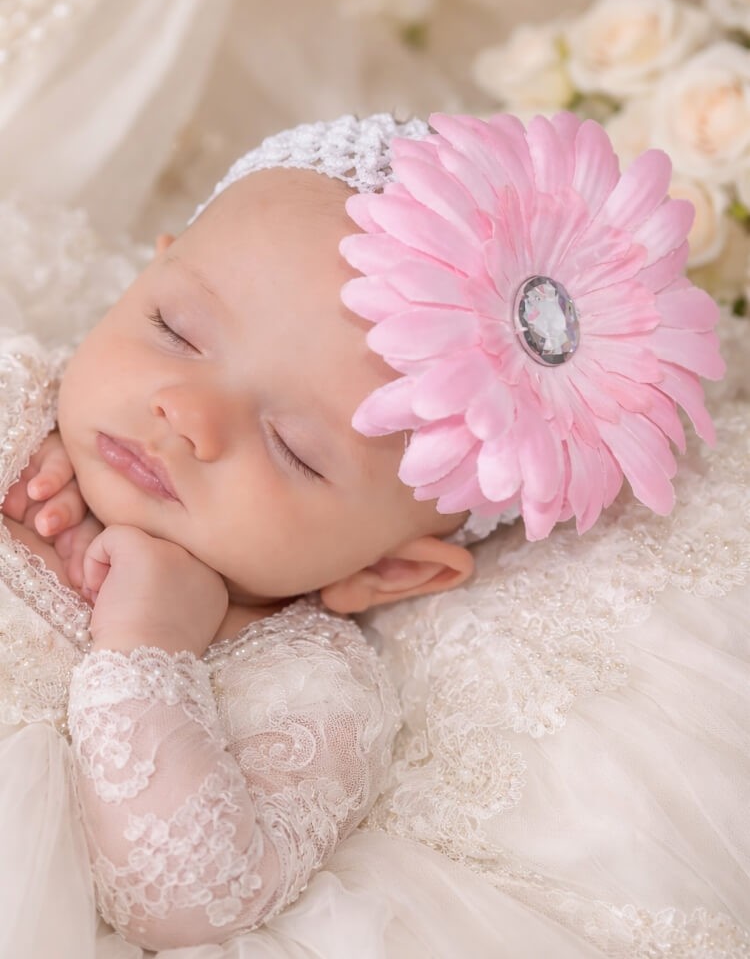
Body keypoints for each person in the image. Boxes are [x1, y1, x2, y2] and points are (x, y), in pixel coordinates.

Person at [0, 112, 747, 959]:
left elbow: (183, 902)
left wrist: (147, 646)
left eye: (294, 449)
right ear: (148, 271)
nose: (186, 413)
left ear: (390, 571)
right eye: (175, 330)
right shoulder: (20, 400)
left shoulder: (304, 683)